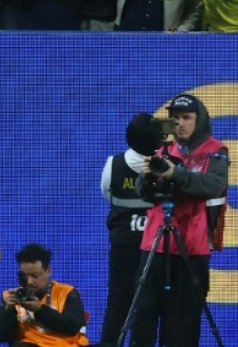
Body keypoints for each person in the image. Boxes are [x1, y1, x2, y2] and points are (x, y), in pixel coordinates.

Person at [129, 94, 229, 347]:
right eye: (176, 119)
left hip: (191, 247)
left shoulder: (215, 151)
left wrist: (177, 174)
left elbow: (213, 186)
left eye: (186, 118)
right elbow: (144, 194)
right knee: (144, 314)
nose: (180, 124)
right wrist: (146, 178)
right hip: (154, 244)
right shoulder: (162, 151)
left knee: (182, 320)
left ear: (200, 120)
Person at [97, 113, 157, 346]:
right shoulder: (167, 168)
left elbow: (108, 195)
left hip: (123, 246)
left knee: (118, 304)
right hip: (154, 249)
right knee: (148, 308)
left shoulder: (113, 164)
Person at [0, 243, 89, 346]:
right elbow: (0, 337)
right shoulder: (13, 297)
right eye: (24, 276)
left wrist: (39, 310)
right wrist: (7, 310)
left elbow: (72, 327)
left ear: (48, 271)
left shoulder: (67, 293)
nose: (29, 281)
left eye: (35, 276)